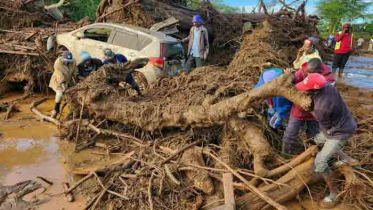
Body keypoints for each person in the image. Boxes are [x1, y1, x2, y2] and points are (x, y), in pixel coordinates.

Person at [295, 73, 358, 208]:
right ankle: (348, 159)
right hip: (346, 121)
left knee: (320, 161)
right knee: (318, 141)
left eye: (306, 88)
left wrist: (309, 109)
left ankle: (333, 193)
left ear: (314, 90)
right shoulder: (328, 86)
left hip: (339, 132)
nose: (303, 90)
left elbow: (325, 126)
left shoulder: (321, 108)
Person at [282, 58, 335, 155]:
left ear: (319, 71)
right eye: (307, 72)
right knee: (290, 132)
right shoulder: (305, 69)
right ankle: (284, 154)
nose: (308, 75)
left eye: (311, 73)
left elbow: (326, 97)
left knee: (313, 134)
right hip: (299, 108)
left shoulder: (329, 78)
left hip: (316, 111)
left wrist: (310, 102)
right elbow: (293, 86)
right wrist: (289, 75)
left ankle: (310, 154)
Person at [49, 51, 77, 118]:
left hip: (68, 81)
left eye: (69, 61)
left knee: (73, 94)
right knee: (60, 93)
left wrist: (77, 77)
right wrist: (63, 86)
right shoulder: (57, 64)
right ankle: (56, 109)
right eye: (66, 60)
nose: (67, 62)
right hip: (57, 82)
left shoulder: (73, 62)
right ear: (62, 58)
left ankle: (73, 111)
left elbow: (75, 71)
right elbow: (60, 76)